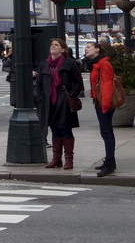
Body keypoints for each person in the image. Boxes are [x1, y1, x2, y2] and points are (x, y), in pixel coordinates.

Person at [37, 39, 84, 170]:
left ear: (62, 50)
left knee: (65, 129)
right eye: (51, 44)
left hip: (64, 101)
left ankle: (69, 159)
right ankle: (56, 159)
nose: (53, 46)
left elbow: (78, 83)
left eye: (56, 45)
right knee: (54, 129)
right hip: (49, 101)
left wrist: (71, 95)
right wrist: (40, 99)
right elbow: (39, 84)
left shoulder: (70, 63)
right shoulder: (44, 64)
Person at [87, 41, 117, 177]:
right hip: (99, 102)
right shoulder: (97, 63)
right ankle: (109, 161)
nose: (86, 49)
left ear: (97, 50)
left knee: (107, 133)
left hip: (104, 104)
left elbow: (107, 85)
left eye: (89, 47)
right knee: (105, 132)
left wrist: (104, 106)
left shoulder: (104, 64)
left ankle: (110, 164)